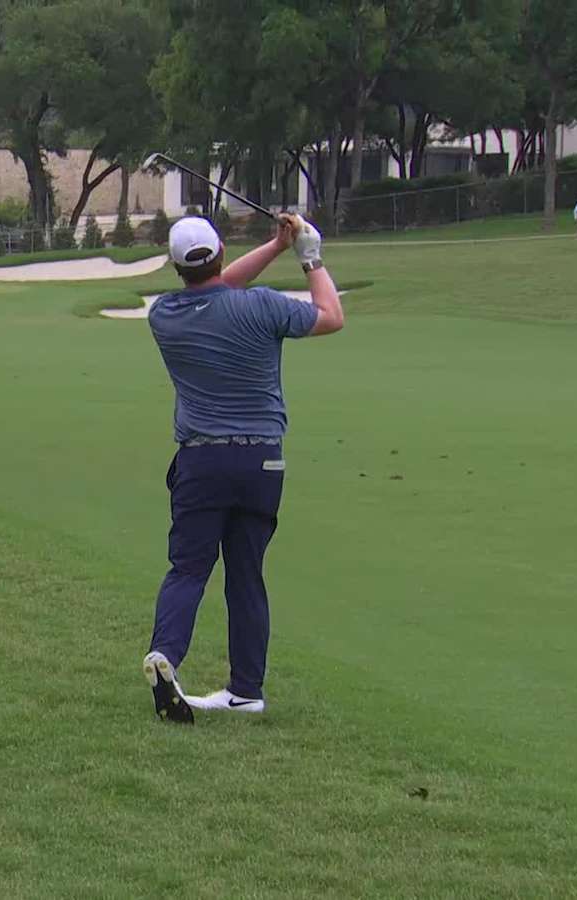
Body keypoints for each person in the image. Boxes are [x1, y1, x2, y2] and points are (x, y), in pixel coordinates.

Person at [142, 214, 344, 723]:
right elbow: (331, 315)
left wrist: (275, 245)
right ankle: (246, 691)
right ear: (222, 252)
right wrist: (307, 255)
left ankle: (166, 653)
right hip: (262, 460)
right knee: (247, 574)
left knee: (189, 568)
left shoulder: (164, 315)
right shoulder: (262, 305)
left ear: (175, 267)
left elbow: (214, 288)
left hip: (202, 461)